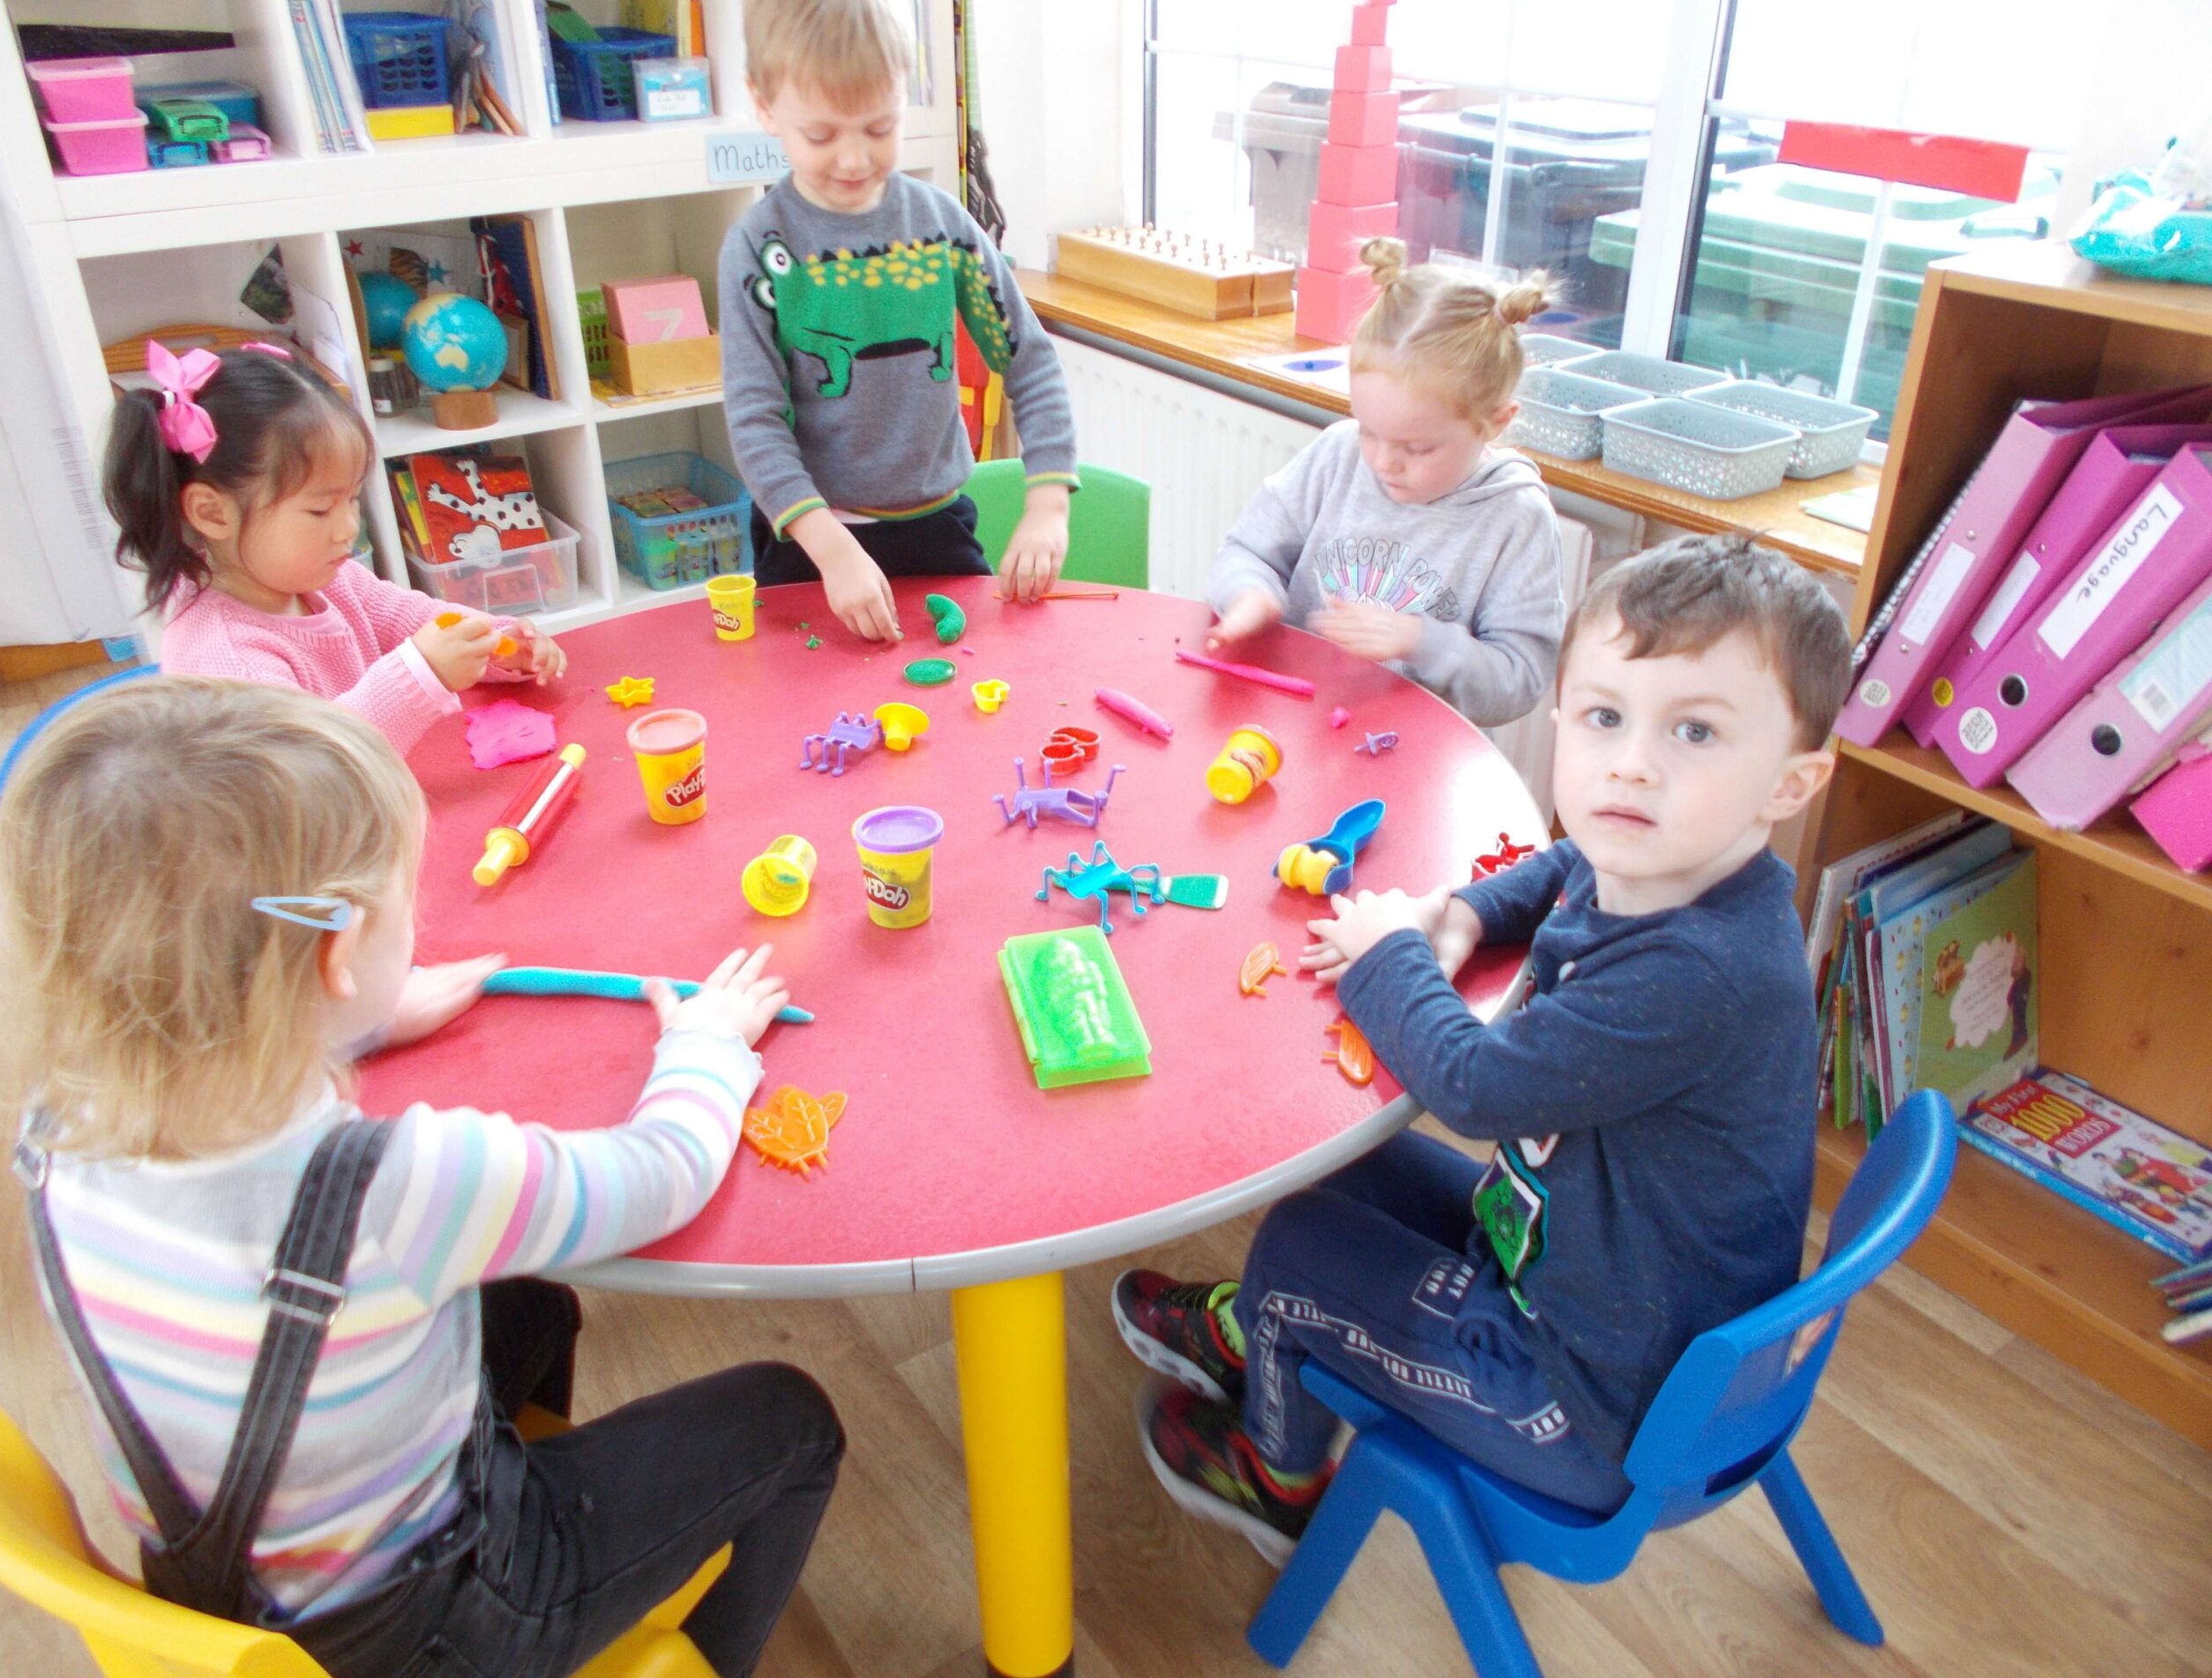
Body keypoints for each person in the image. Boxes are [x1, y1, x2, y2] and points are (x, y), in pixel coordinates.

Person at [0, 677, 842, 1678]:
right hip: (430, 1628)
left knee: (530, 1307)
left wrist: (351, 1019)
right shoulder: (403, 1185)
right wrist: (707, 1050)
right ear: (338, 952)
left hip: (229, 1582)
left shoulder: (58, 1124)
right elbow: (663, 1173)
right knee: (792, 1421)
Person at [1113, 534, 1850, 1560]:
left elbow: (1472, 1087)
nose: (1630, 763)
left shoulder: (1699, 977)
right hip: (1594, 1277)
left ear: (1791, 782)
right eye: (1604, 718)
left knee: (1297, 1250)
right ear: (1564, 718)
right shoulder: (1673, 860)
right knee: (1347, 1168)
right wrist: (1463, 913)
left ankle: (1275, 1478)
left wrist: (1387, 952)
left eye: (1694, 731)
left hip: (1583, 1404)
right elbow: (1565, 864)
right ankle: (1271, 1327)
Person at [719, 0, 1080, 641]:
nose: (854, 160)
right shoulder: (758, 248)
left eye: (880, 127)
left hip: (935, 528)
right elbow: (755, 420)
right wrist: (832, 550)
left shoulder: (942, 227)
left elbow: (1028, 358)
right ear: (765, 106)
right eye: (822, 136)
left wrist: (1048, 504)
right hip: (811, 540)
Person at [102, 340, 565, 754]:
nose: (348, 528)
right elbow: (316, 764)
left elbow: (409, 616)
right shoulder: (223, 658)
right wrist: (421, 674)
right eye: (320, 509)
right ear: (212, 513)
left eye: (352, 499)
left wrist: (496, 642)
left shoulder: (323, 577)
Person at [1202, 239, 1565, 728]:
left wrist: (1420, 641)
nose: (1383, 462)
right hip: (1297, 725)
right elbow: (1248, 551)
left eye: (1417, 448)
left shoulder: (1517, 518)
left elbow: (1520, 681)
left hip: (1420, 752)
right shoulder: (1336, 455)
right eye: (1369, 431)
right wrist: (1251, 593)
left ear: (1495, 422)